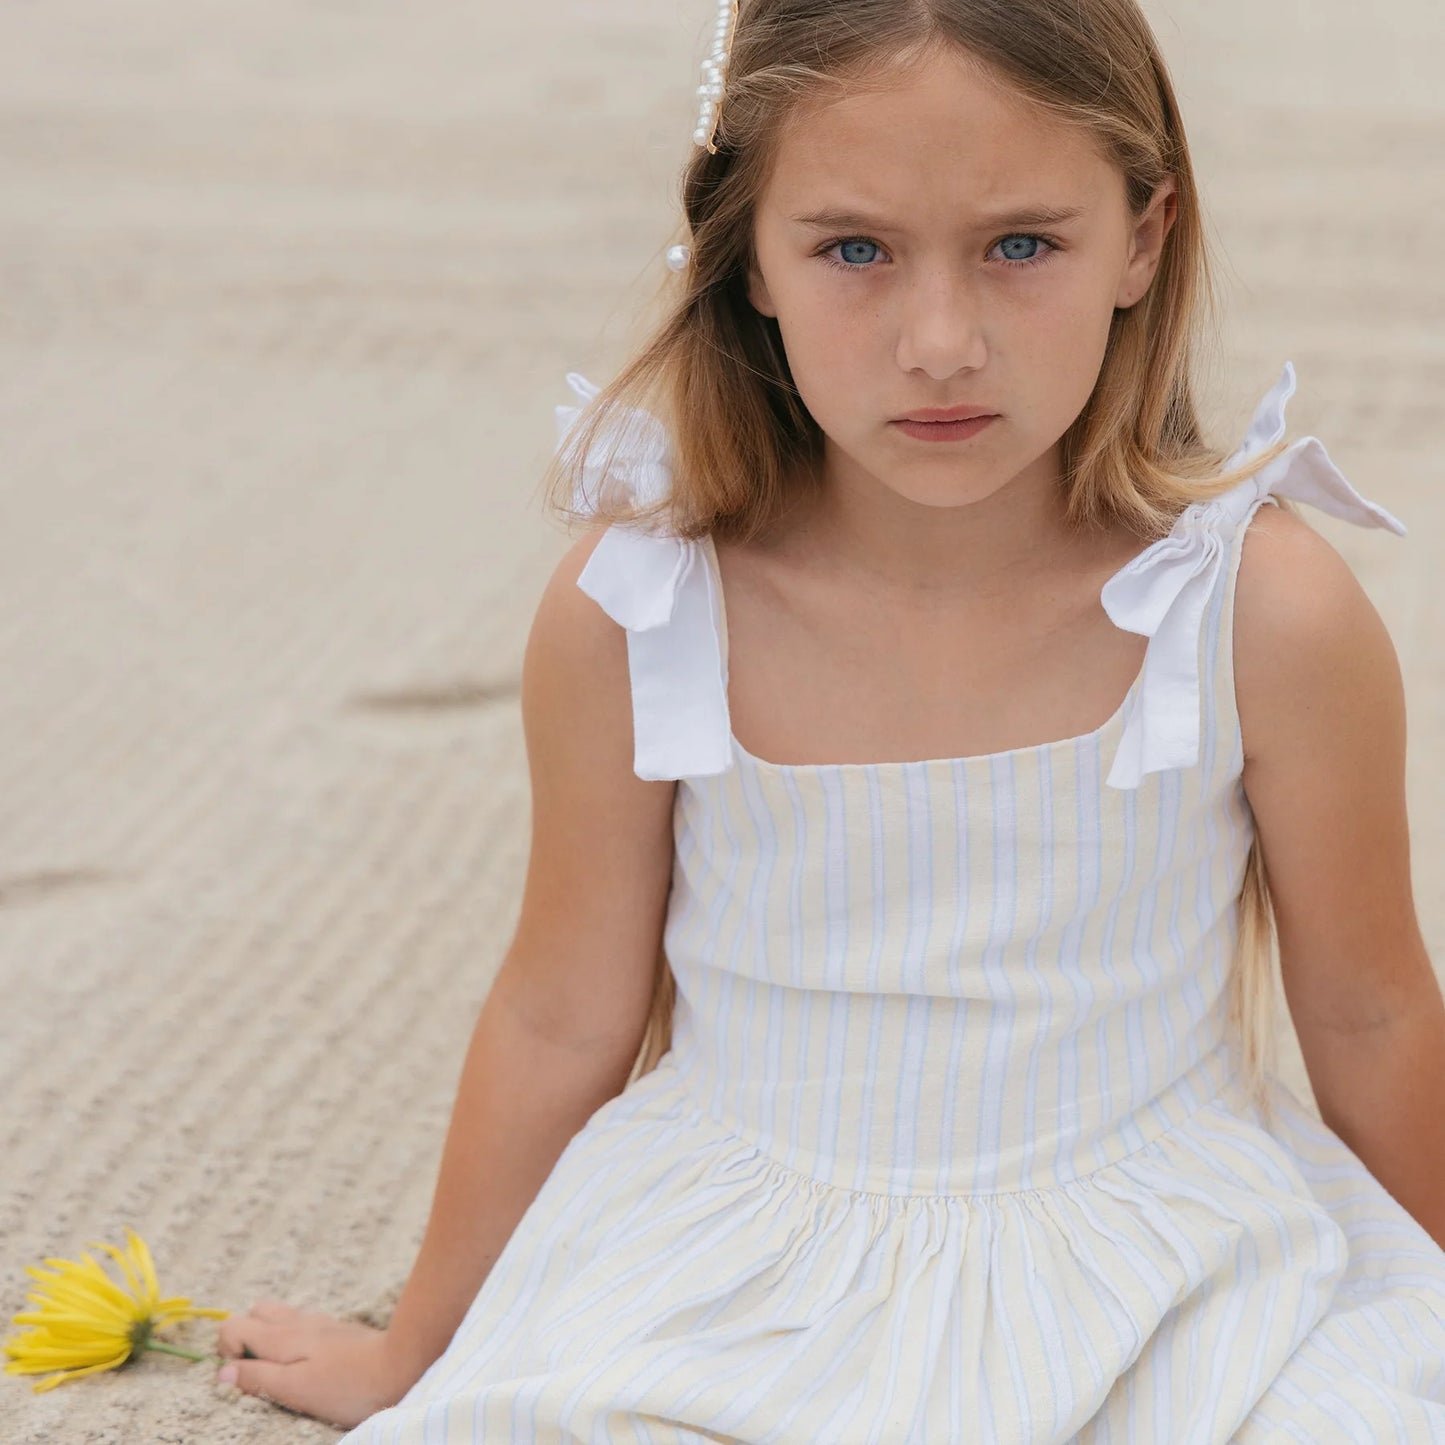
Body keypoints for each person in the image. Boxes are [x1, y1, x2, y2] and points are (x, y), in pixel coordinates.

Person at [215, 0, 1445, 1438]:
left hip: (1169, 1251)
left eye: (1020, 244)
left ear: (1143, 236)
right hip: (734, 1259)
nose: (939, 341)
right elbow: (560, 1015)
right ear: (746, 256)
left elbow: (1367, 1010)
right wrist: (416, 1346)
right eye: (853, 249)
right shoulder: (643, 610)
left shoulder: (1257, 611)